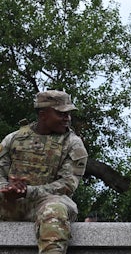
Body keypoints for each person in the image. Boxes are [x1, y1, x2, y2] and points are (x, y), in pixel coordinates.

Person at [0, 90, 88, 253]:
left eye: (68, 114)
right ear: (43, 114)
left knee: (55, 210)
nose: (67, 118)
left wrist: (28, 191)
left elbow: (67, 185)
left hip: (46, 202)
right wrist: (7, 190)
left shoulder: (73, 144)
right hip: (10, 202)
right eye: (61, 113)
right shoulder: (13, 139)